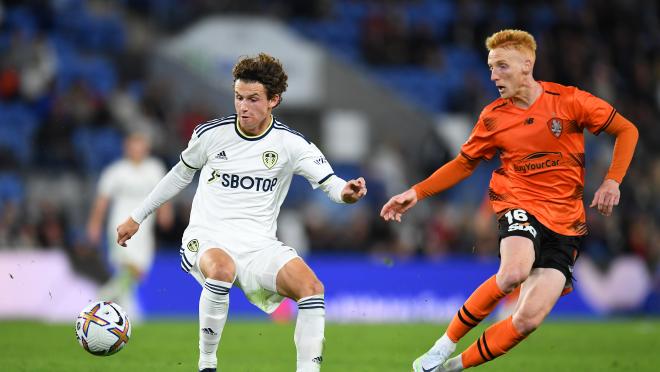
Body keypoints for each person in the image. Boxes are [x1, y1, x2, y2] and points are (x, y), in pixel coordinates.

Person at [380, 29, 638, 371]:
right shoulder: (493, 117)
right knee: (513, 272)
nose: (493, 76)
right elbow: (464, 163)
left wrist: (612, 181)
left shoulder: (570, 101)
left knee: (527, 319)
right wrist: (416, 191)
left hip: (566, 222)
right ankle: (444, 344)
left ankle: (450, 368)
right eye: (490, 67)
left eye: (501, 66)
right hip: (519, 204)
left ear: (526, 65)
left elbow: (627, 130)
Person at [116, 53, 367, 372]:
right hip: (206, 237)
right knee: (221, 269)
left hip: (258, 246)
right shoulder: (211, 135)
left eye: (253, 99)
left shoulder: (291, 144)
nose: (243, 106)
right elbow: (180, 174)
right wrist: (137, 216)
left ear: (274, 100)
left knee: (312, 288)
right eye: (238, 97)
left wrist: (347, 193)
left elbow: (331, 184)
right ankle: (207, 364)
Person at [87, 132, 173, 319]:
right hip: (120, 228)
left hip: (144, 230)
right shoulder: (115, 171)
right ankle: (101, 302)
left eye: (140, 145)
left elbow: (164, 192)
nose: (137, 150)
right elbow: (102, 201)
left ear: (146, 148)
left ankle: (120, 309)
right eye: (133, 146)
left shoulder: (154, 168)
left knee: (138, 272)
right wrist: (94, 225)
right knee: (130, 269)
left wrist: (165, 213)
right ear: (127, 148)